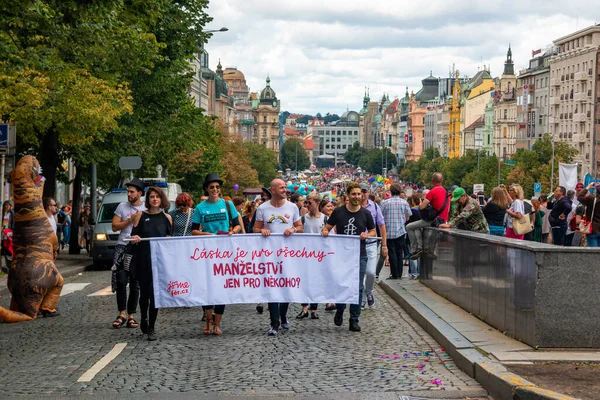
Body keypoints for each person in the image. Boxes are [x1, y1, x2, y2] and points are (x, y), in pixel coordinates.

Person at [191, 174, 242, 335]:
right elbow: (193, 231)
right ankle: (208, 319)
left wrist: (232, 231)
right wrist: (206, 234)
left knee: (221, 287)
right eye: (212, 187)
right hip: (206, 251)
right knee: (206, 287)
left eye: (217, 187)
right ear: (206, 188)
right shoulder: (200, 208)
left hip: (224, 251)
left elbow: (237, 225)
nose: (215, 190)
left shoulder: (227, 204)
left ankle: (217, 323)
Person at [321, 182, 375, 333]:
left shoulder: (366, 214)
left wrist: (367, 235)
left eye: (359, 194)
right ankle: (340, 309)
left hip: (360, 254)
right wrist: (325, 231)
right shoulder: (338, 212)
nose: (357, 197)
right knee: (341, 284)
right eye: (354, 194)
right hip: (342, 255)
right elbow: (327, 227)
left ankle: (354, 319)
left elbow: (372, 231)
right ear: (348, 196)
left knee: (357, 287)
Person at [254, 178, 303, 336]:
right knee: (272, 286)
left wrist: (293, 230)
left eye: (285, 188)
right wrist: (262, 231)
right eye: (281, 188)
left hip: (288, 254)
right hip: (269, 255)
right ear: (273, 190)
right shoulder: (263, 208)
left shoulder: (292, 207)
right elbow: (255, 228)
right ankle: (274, 323)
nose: (285, 190)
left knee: (285, 285)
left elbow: (300, 227)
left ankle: (283, 315)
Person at [130, 187, 172, 341]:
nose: (155, 199)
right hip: (143, 259)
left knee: (155, 295)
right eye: (152, 197)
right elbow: (132, 236)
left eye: (157, 197)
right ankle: (143, 318)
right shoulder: (140, 215)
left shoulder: (166, 218)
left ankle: (152, 326)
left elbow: (169, 239)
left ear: (162, 199)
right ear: (148, 199)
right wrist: (135, 239)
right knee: (145, 294)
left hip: (159, 262)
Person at [111, 178, 146, 329]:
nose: (129, 194)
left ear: (140, 193)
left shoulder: (146, 208)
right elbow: (114, 226)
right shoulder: (122, 206)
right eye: (128, 191)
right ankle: (122, 313)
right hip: (123, 247)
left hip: (138, 248)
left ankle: (131, 315)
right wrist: (130, 220)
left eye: (132, 192)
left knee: (135, 283)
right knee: (121, 280)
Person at [296, 191, 325, 320]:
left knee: (316, 282)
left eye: (310, 202)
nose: (307, 205)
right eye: (306, 202)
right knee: (305, 282)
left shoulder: (325, 219)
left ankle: (314, 308)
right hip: (305, 255)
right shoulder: (303, 219)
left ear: (317, 203)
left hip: (319, 255)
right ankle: (304, 308)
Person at [407, 173, 449, 260]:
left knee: (409, 227)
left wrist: (421, 202)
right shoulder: (446, 192)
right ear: (442, 181)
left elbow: (421, 207)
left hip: (433, 221)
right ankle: (421, 247)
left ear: (433, 181)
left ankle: (415, 249)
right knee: (417, 225)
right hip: (443, 221)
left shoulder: (432, 192)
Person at [359, 183, 387, 307]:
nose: (363, 194)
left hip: (371, 244)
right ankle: (361, 298)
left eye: (365, 191)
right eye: (360, 192)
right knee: (360, 273)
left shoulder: (375, 207)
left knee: (370, 272)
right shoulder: (352, 207)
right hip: (356, 245)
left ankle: (369, 292)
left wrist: (384, 245)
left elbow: (381, 226)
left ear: (368, 192)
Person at [380, 183, 411, 281]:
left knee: (392, 253)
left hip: (389, 231)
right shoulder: (404, 203)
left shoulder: (385, 203)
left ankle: (394, 274)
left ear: (391, 191)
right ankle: (400, 273)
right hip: (401, 231)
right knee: (399, 253)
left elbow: (381, 217)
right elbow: (408, 216)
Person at [577, 182, 600, 247]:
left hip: (593, 229)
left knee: (593, 253)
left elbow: (580, 197)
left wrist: (588, 187)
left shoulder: (592, 199)